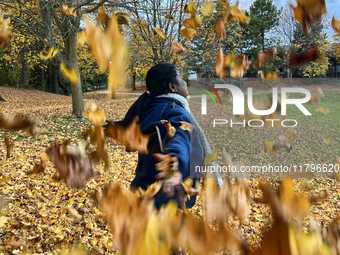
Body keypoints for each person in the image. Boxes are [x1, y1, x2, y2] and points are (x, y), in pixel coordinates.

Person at [105, 63, 221, 209]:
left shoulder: (150, 108)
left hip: (142, 193)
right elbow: (179, 136)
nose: (185, 81)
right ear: (173, 86)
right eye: (181, 78)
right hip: (165, 203)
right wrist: (174, 160)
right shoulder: (174, 110)